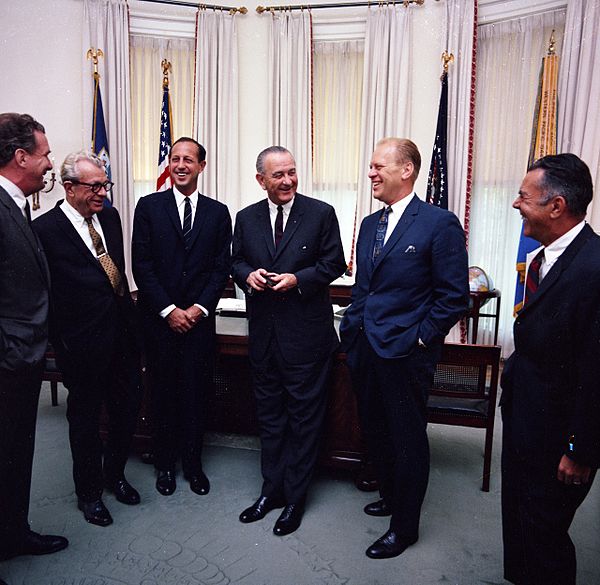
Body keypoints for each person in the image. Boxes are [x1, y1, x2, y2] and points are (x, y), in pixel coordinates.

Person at [340, 137, 469, 559]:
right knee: (375, 430)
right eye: (371, 166)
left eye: (379, 166)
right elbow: (365, 287)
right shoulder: (370, 224)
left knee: (407, 437)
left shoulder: (438, 223)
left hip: (405, 353)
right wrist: (353, 330)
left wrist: (419, 338)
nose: (371, 173)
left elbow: (454, 297)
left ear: (407, 170)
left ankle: (405, 528)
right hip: (366, 347)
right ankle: (392, 498)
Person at [232, 146, 346, 536]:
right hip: (264, 338)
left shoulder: (320, 214)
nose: (287, 181)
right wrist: (247, 275)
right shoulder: (246, 218)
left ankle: (295, 498)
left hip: (306, 340)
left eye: (292, 173)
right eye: (278, 175)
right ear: (260, 180)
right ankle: (271, 491)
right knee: (269, 419)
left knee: (303, 421)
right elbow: (236, 261)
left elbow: (335, 264)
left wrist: (298, 280)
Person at [501, 153, 600, 585]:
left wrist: (582, 450)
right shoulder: (545, 257)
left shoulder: (595, 267)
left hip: (561, 440)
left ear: (556, 206)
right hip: (525, 422)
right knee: (520, 522)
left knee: (546, 537)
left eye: (524, 196)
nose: (515, 203)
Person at [33, 151, 141, 527]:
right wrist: (59, 341)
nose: (102, 193)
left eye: (105, 185)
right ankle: (90, 494)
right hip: (80, 346)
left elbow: (117, 278)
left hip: (122, 337)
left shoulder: (108, 218)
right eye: (95, 186)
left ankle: (115, 475)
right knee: (84, 420)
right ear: (69, 188)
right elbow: (42, 293)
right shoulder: (44, 231)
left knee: (127, 410)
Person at [132, 137, 232, 497]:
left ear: (201, 166)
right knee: (162, 395)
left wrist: (197, 309)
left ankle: (193, 465)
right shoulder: (148, 206)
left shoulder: (218, 212)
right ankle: (164, 466)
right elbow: (141, 266)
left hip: (199, 324)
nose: (180, 165)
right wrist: (170, 310)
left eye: (189, 159)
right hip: (159, 323)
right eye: (175, 158)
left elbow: (221, 268)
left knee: (196, 394)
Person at [0, 112, 68, 559]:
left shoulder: (16, 205)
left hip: (21, 362)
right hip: (7, 363)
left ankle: (12, 535)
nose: (49, 165)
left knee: (14, 455)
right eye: (44, 155)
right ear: (21, 156)